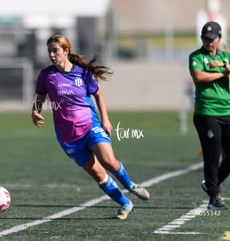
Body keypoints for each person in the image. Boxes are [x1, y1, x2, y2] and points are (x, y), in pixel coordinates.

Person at [31, 34, 150, 220]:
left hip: (90, 126)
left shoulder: (82, 73)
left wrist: (106, 120)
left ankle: (131, 185)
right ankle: (125, 203)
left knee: (109, 161)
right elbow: (39, 97)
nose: (52, 55)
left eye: (55, 50)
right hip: (68, 137)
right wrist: (35, 111)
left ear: (66, 51)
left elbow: (99, 96)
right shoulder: (46, 76)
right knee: (99, 175)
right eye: (49, 51)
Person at [189, 21, 230, 210]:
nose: (209, 42)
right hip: (206, 113)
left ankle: (211, 184)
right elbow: (199, 77)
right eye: (205, 38)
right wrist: (222, 73)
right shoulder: (196, 57)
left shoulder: (227, 57)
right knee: (213, 154)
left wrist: (224, 65)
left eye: (212, 39)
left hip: (227, 112)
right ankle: (214, 198)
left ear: (220, 39)